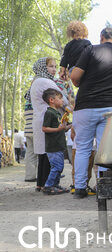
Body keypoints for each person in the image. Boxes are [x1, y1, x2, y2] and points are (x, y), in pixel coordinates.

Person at [70, 27, 112, 199]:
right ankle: (104, 187)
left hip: (85, 107)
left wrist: (80, 84)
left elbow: (75, 76)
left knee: (83, 148)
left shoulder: (90, 50)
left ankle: (80, 188)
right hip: (110, 110)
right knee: (104, 149)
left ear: (102, 38)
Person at [28, 57, 70, 192]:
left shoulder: (36, 81)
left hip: (39, 117)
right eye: (50, 66)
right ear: (43, 68)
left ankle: (40, 184)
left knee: (43, 154)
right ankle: (48, 184)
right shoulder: (44, 81)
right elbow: (62, 98)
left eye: (55, 66)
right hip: (48, 118)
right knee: (48, 152)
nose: (54, 69)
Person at [41, 88, 71, 195]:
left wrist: (70, 125)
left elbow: (62, 128)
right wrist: (58, 129)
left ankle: (55, 184)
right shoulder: (49, 113)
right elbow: (44, 128)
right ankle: (48, 186)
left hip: (59, 145)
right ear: (51, 100)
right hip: (53, 146)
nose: (62, 101)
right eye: (60, 98)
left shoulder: (57, 113)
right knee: (56, 167)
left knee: (60, 167)